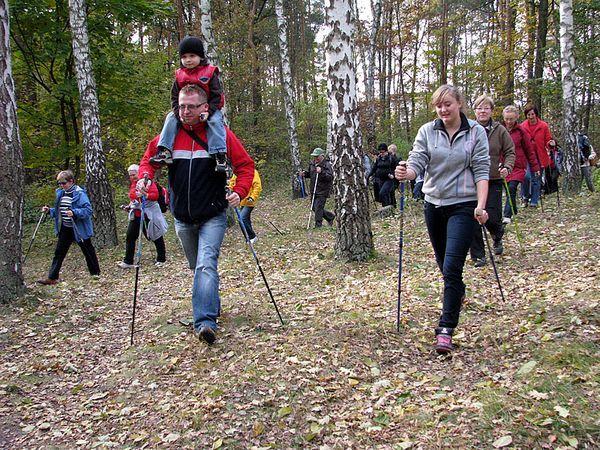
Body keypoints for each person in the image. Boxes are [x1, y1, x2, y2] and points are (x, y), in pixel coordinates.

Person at [137, 84, 255, 345]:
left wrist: (240, 190)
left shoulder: (219, 134)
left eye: (191, 106)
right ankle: (211, 303)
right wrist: (145, 178)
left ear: (205, 108)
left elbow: (246, 166)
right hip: (182, 217)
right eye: (181, 106)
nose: (185, 111)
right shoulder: (168, 137)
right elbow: (148, 161)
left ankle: (204, 323)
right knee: (197, 267)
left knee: (205, 264)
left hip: (213, 214)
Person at [394, 85, 490, 354]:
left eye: (448, 103)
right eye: (438, 105)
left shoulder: (475, 132)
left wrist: (481, 206)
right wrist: (407, 173)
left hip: (464, 205)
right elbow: (418, 161)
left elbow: (482, 169)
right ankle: (457, 291)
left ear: (459, 103)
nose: (443, 109)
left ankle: (445, 329)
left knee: (451, 267)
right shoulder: (427, 131)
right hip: (433, 204)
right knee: (443, 264)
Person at [151, 36, 228, 173]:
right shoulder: (180, 75)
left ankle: (219, 155)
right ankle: (165, 150)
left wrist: (208, 111)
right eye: (184, 56)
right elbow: (174, 96)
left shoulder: (209, 73)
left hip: (209, 108)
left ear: (200, 57)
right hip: (185, 110)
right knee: (169, 118)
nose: (188, 60)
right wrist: (177, 112)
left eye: (192, 56)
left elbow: (217, 96)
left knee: (215, 122)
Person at [469, 95, 515, 267]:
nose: (482, 111)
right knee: (473, 215)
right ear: (475, 111)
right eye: (479, 108)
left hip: (493, 178)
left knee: (492, 216)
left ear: (491, 111)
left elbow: (510, 151)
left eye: (486, 108)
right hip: (471, 179)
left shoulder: (499, 130)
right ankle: (478, 255)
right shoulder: (469, 129)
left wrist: (507, 168)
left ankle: (497, 234)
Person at [37, 170, 100, 285]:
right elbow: (59, 212)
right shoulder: (61, 193)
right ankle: (52, 277)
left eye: (63, 183)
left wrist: (74, 212)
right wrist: (49, 211)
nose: (61, 186)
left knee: (88, 251)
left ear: (71, 181)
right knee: (59, 252)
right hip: (65, 227)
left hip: (78, 228)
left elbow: (88, 210)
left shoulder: (79, 193)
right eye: (59, 183)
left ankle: (95, 274)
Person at [117, 164, 168, 269]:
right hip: (136, 214)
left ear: (138, 172)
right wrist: (129, 206)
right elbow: (133, 198)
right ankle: (128, 261)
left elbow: (155, 196)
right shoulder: (133, 184)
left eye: (134, 174)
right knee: (130, 237)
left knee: (154, 236)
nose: (132, 177)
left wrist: (145, 194)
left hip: (148, 214)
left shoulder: (147, 182)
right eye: (130, 175)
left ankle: (161, 259)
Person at [501, 105, 540, 223]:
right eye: (506, 119)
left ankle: (507, 215)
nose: (508, 122)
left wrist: (535, 167)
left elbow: (529, 151)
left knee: (512, 187)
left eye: (511, 119)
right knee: (507, 188)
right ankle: (514, 210)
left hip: (518, 166)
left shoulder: (521, 132)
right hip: (503, 165)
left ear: (516, 117)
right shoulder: (499, 130)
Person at [520, 105, 553, 207]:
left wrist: (551, 144)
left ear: (536, 114)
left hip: (540, 156)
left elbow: (548, 140)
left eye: (532, 114)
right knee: (525, 177)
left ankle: (534, 201)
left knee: (536, 178)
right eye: (528, 114)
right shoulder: (522, 126)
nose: (531, 116)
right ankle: (525, 197)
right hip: (527, 156)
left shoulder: (543, 125)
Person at [300, 147, 335, 228]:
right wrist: (305, 174)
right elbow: (311, 174)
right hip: (314, 189)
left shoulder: (327, 164)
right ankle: (330, 217)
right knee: (314, 207)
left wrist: (321, 172)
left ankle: (318, 225)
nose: (315, 158)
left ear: (322, 156)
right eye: (314, 156)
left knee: (318, 207)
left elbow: (330, 177)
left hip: (323, 190)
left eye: (317, 156)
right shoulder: (312, 164)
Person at [228, 169, 262, 243]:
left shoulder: (253, 172)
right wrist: (229, 189)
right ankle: (249, 238)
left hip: (249, 201)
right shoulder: (237, 173)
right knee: (246, 219)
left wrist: (252, 197)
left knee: (242, 218)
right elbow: (232, 183)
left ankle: (252, 237)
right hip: (242, 200)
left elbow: (257, 186)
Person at [368, 143, 397, 207]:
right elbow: (374, 168)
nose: (381, 154)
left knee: (382, 193)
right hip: (380, 179)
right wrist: (369, 176)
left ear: (386, 151)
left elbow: (395, 168)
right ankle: (386, 211)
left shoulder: (391, 158)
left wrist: (393, 175)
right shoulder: (378, 159)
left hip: (389, 180)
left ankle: (390, 208)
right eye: (380, 152)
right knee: (383, 196)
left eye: (383, 152)